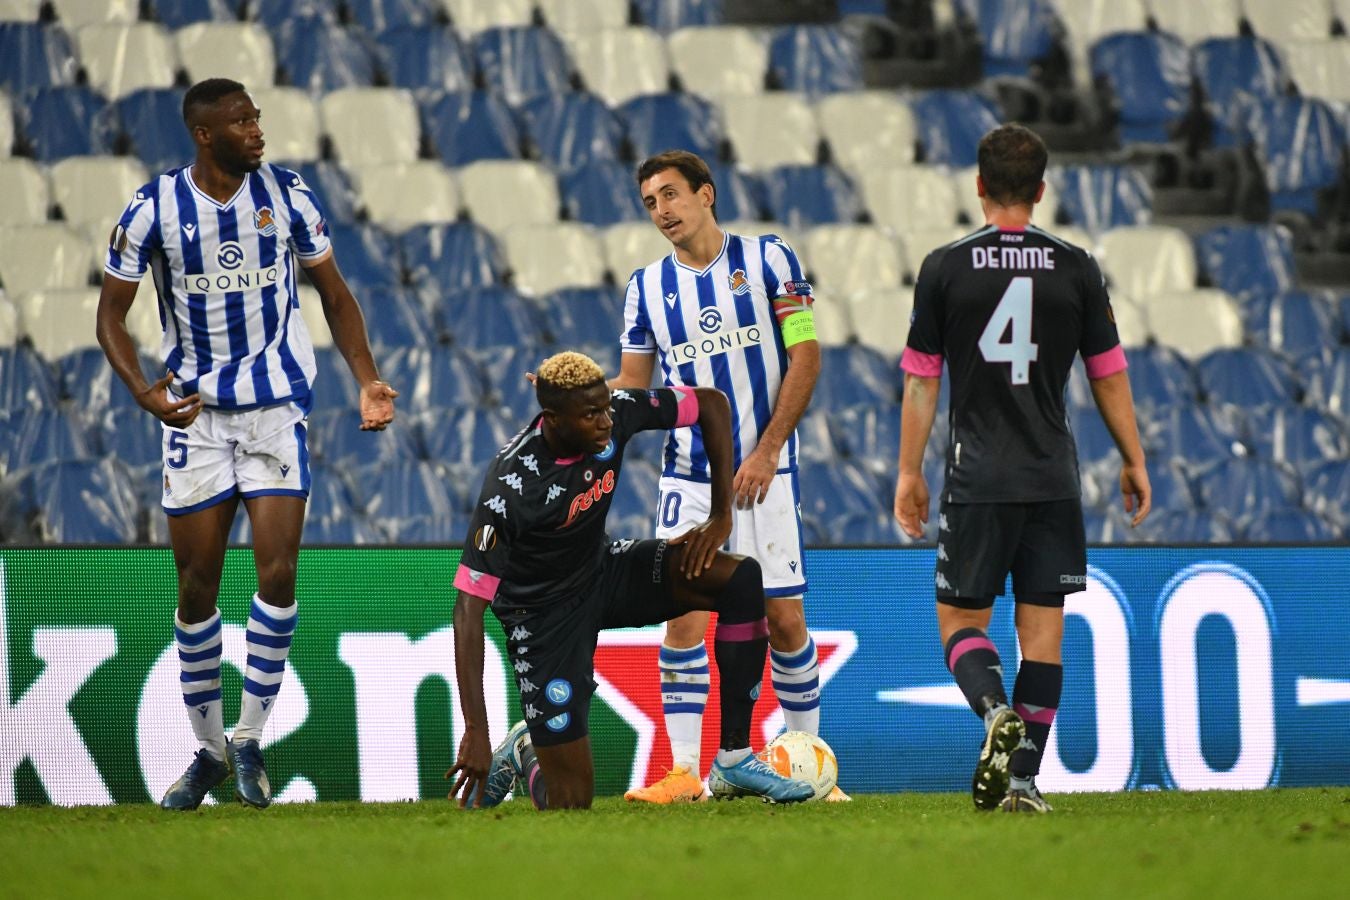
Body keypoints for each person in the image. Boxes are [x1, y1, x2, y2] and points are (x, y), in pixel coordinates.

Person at [95, 78, 398, 811]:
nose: (257, 128)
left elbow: (334, 292)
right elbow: (111, 315)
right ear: (206, 134)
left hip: (275, 411)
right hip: (196, 419)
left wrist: (366, 377)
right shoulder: (152, 210)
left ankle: (249, 737)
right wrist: (144, 391)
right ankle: (206, 753)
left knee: (278, 571)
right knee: (197, 586)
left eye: (257, 116)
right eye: (241, 120)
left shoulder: (289, 194)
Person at [893, 123, 1151, 814]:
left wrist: (909, 472)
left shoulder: (944, 267)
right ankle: (1024, 784)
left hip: (977, 476)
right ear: (1040, 191)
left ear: (978, 187)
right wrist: (1133, 457)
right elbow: (1110, 375)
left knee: (959, 622)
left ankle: (991, 711)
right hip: (1051, 477)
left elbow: (921, 382)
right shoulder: (1076, 266)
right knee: (1043, 637)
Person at [447, 351, 815, 810]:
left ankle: (734, 757)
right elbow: (467, 612)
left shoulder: (615, 411)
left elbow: (711, 404)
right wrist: (476, 731)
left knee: (740, 578)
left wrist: (721, 515)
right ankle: (527, 752)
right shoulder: (510, 486)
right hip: (542, 620)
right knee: (571, 806)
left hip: (603, 571)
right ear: (553, 419)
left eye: (605, 407)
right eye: (590, 414)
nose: (606, 422)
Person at [611, 151, 845, 803]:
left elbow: (805, 356)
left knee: (785, 620)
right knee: (683, 619)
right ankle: (687, 771)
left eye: (671, 195)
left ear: (705, 194)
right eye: (650, 202)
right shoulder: (645, 288)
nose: (662, 211)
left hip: (766, 477)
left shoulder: (770, 260)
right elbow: (633, 385)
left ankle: (816, 772)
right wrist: (570, 394)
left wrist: (769, 448)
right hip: (688, 479)